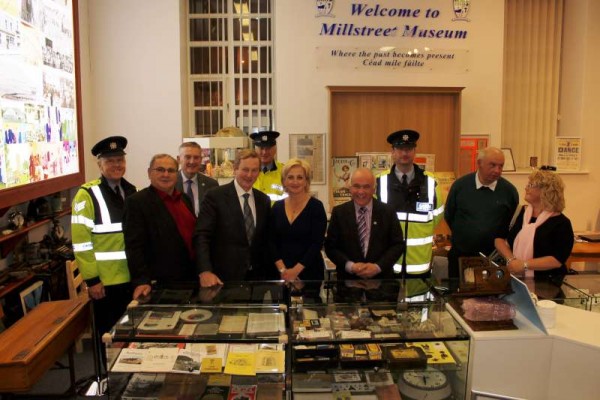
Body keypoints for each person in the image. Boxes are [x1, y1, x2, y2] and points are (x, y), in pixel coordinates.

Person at [71, 136, 136, 337]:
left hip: (131, 278)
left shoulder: (132, 191)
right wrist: (92, 281)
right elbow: (81, 244)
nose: (117, 165)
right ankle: (109, 370)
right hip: (106, 283)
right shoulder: (87, 194)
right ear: (99, 165)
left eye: (120, 160)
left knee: (131, 332)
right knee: (109, 335)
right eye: (110, 161)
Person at [123, 154, 197, 299]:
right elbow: (134, 246)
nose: (166, 174)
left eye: (171, 170)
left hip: (190, 278)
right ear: (149, 173)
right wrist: (141, 281)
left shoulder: (184, 199)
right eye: (160, 170)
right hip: (160, 284)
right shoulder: (136, 202)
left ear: (177, 174)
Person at [194, 149, 272, 286]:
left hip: (258, 278)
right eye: (245, 169)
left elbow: (265, 239)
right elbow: (202, 236)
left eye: (254, 170)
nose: (249, 175)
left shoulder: (263, 200)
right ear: (235, 169)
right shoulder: (215, 196)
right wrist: (205, 271)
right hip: (223, 278)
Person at [375, 129, 444, 276]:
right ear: (392, 152)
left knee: (420, 299)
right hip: (388, 264)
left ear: (415, 152)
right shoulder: (379, 182)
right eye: (400, 149)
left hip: (419, 265)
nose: (404, 153)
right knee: (387, 299)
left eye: (409, 149)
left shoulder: (431, 183)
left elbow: (437, 217)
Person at [445, 147, 519, 278]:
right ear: (479, 163)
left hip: (494, 260)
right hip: (460, 257)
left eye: (500, 166)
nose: (497, 170)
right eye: (492, 165)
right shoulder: (460, 186)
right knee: (457, 296)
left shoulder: (509, 192)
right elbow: (449, 215)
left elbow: (511, 225)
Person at [495, 169, 574, 283]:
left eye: (531, 185)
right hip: (514, 280)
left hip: (548, 285)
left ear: (546, 191)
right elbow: (499, 238)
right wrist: (511, 260)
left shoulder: (561, 223)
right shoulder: (517, 212)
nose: (526, 188)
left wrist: (524, 265)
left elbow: (557, 259)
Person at [326, 168, 405, 280]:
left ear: (374, 189)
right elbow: (331, 247)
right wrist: (351, 266)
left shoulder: (388, 212)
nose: (361, 191)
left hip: (381, 284)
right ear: (350, 188)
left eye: (366, 187)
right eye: (357, 186)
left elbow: (397, 245)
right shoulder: (339, 213)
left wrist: (378, 267)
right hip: (348, 283)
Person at [268, 158, 327, 281]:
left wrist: (295, 272)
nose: (295, 182)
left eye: (300, 177)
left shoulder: (316, 207)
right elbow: (271, 241)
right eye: (290, 177)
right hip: (281, 274)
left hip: (309, 273)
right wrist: (283, 271)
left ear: (306, 181)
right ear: (284, 181)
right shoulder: (277, 207)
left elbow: (316, 244)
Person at [175, 141, 218, 216]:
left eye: (196, 157)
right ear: (178, 159)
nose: (192, 162)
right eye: (187, 157)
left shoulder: (211, 185)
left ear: (201, 159)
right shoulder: (170, 183)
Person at [250, 130, 286, 202]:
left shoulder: (285, 171)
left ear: (275, 150)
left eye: (268, 148)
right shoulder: (248, 172)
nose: (264, 152)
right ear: (255, 150)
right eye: (261, 148)